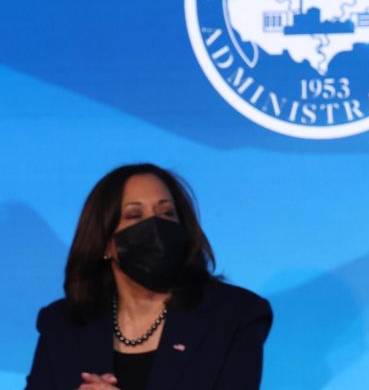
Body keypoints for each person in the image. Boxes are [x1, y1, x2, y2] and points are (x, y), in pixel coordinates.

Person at [25, 164, 272, 390]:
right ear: (104, 243)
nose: (154, 226)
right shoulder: (62, 324)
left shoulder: (235, 315)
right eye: (134, 216)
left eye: (166, 214)